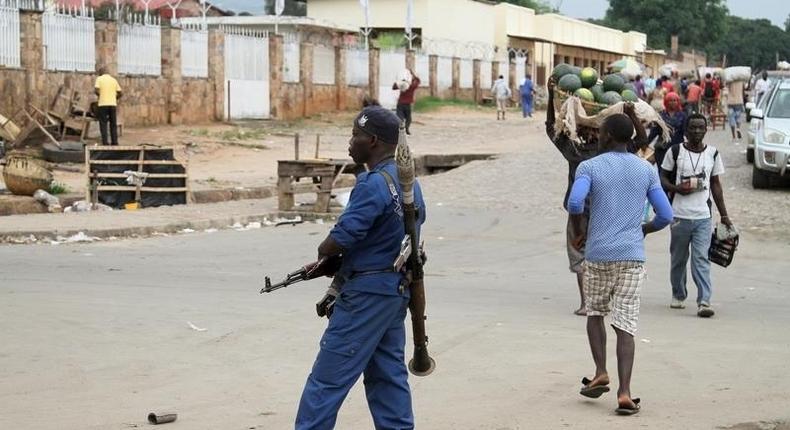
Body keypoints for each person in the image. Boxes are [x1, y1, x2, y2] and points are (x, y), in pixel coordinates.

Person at [295, 105, 426, 429]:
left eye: (354, 135)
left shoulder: (372, 183)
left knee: (326, 381)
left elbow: (340, 239)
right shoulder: (407, 181)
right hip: (394, 291)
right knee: (387, 379)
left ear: (372, 141)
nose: (349, 142)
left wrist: (326, 253)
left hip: (365, 296)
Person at [568, 108, 673, 416]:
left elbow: (575, 202)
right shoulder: (646, 170)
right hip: (631, 256)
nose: (598, 136)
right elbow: (665, 215)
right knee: (625, 325)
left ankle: (600, 371)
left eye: (601, 132)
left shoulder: (589, 167)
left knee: (595, 313)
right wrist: (644, 229)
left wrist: (579, 231)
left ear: (608, 135)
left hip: (598, 254)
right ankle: (625, 393)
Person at [660, 113, 733, 318]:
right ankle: (679, 293)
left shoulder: (713, 154)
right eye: (693, 128)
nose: (697, 131)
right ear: (686, 130)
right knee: (678, 259)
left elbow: (716, 186)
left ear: (706, 130)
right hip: (679, 216)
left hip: (703, 216)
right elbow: (662, 177)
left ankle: (704, 301)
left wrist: (724, 215)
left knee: (701, 258)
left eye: (701, 127)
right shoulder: (675, 152)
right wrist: (676, 188)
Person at [546, 77, 599, 315]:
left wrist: (550, 97)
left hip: (583, 215)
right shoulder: (599, 150)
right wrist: (549, 97)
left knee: (583, 257)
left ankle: (589, 303)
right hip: (591, 214)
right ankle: (590, 302)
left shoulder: (577, 150)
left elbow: (550, 128)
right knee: (585, 257)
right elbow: (551, 128)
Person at [651, 92, 687, 169]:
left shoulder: (683, 116)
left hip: (677, 148)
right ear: (666, 102)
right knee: (662, 171)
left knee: (676, 171)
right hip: (662, 149)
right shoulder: (660, 115)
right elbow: (654, 132)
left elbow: (686, 132)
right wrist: (644, 143)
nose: (673, 102)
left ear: (678, 102)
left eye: (675, 100)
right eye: (670, 100)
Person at [94, 66, 122, 146]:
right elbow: (120, 93)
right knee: (113, 123)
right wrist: (115, 97)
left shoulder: (99, 79)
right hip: (113, 104)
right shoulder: (114, 80)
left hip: (102, 104)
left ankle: (105, 142)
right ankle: (114, 142)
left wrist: (100, 95)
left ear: (100, 73)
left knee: (103, 123)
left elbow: (96, 90)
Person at [392, 68, 420, 135]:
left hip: (400, 104)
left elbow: (394, 87)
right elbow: (418, 81)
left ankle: (400, 130)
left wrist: (399, 81)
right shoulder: (412, 86)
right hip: (408, 104)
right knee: (408, 119)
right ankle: (406, 129)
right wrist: (413, 74)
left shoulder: (402, 85)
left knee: (399, 118)